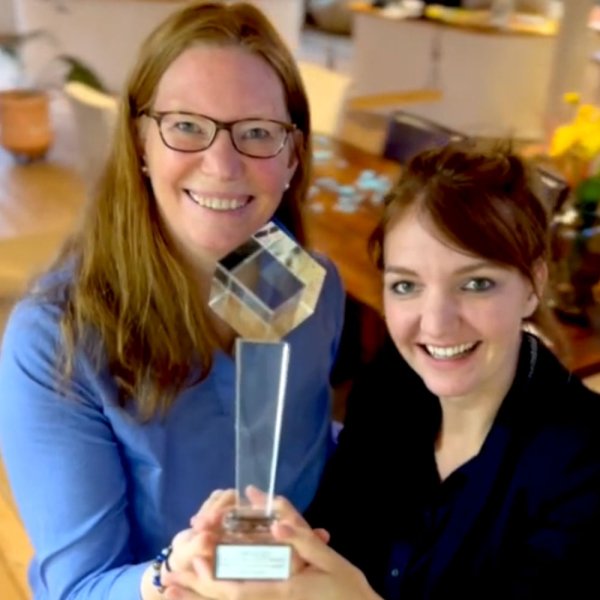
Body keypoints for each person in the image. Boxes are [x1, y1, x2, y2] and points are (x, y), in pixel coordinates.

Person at [0, 2, 345, 598]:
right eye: (186, 125)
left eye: (257, 132)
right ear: (141, 141)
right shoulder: (53, 342)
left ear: (293, 154)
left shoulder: (314, 284)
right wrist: (171, 574)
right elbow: (78, 588)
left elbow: (309, 442)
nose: (223, 165)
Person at [165, 144, 600, 599]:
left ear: (533, 285)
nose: (436, 324)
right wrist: (277, 549)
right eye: (406, 285)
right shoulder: (393, 382)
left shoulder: (584, 463)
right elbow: (339, 526)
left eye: (476, 283)